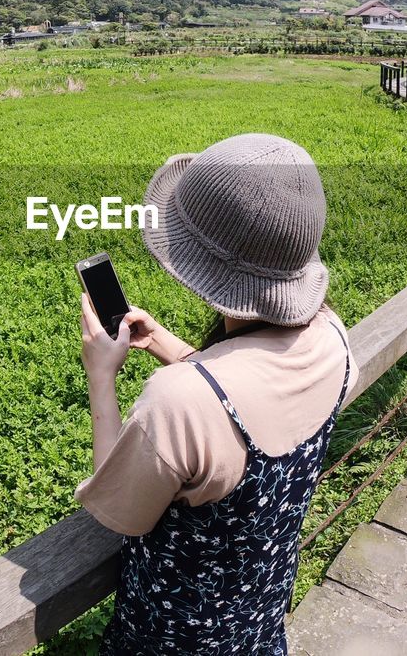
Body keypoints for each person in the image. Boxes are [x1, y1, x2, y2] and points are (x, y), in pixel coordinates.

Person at [76, 133, 355, 655]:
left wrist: (101, 376)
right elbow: (248, 395)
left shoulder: (179, 402)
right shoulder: (335, 342)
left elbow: (119, 511)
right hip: (259, 627)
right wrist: (160, 342)